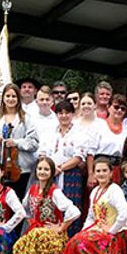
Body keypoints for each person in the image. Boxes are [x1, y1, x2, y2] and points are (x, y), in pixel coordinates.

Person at [62, 158, 127, 254]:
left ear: (111, 173)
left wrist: (111, 231)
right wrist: (84, 231)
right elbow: (91, 215)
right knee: (75, 240)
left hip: (117, 233)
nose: (101, 174)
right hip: (100, 229)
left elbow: (124, 215)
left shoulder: (115, 190)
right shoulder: (95, 191)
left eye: (104, 171)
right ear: (94, 174)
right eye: (98, 171)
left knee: (82, 243)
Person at [12, 157, 81, 254]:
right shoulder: (32, 189)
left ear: (52, 172)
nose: (42, 172)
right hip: (36, 230)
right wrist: (31, 220)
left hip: (52, 235)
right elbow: (24, 210)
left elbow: (74, 211)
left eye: (46, 169)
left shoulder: (55, 192)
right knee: (19, 245)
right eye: (40, 169)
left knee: (36, 235)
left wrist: (61, 227)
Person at [0, 83, 39, 197]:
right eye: (8, 96)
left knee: (18, 201)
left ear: (18, 98)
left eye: (14, 96)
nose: (10, 99)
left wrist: (16, 142)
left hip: (21, 169)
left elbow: (34, 143)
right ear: (3, 98)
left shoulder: (26, 119)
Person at [43, 99, 88, 234]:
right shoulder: (50, 132)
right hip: (50, 174)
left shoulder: (79, 133)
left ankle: (71, 239)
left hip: (71, 175)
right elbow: (42, 153)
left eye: (67, 112)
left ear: (72, 114)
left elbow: (79, 156)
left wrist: (60, 168)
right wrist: (49, 169)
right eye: (60, 113)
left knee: (72, 206)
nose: (64, 116)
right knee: (51, 205)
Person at [88, 94, 127, 186]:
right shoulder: (98, 126)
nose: (119, 110)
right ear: (108, 107)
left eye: (123, 109)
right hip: (100, 169)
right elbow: (90, 152)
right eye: (116, 107)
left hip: (118, 170)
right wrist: (91, 174)